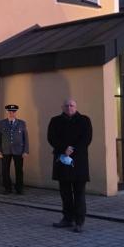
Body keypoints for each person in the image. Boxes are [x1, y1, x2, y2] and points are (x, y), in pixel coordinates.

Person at [47, 99, 93, 233]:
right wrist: (63, 149)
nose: (69, 107)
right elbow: (51, 138)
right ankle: (67, 218)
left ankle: (79, 221)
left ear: (76, 107)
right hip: (62, 161)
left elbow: (87, 138)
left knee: (79, 193)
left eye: (71, 105)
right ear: (62, 107)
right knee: (65, 193)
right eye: (66, 106)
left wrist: (72, 149)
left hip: (79, 162)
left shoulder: (84, 120)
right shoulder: (55, 121)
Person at [0, 104, 29, 194]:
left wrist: (26, 151)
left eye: (13, 112)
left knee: (19, 170)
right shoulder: (1, 123)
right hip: (5, 150)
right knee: (5, 170)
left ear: (16, 112)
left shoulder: (22, 123)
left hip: (18, 150)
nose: (11, 113)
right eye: (10, 112)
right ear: (7, 112)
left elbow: (25, 138)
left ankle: (19, 188)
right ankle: (7, 188)